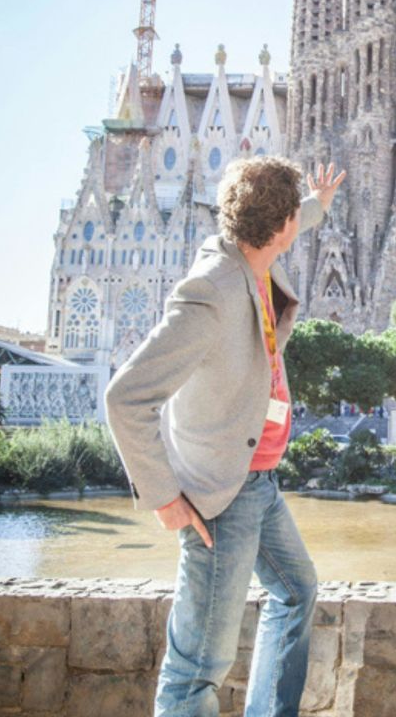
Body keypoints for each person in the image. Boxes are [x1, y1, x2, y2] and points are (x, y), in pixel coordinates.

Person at [105, 157, 345, 717]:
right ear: (278, 226)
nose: (295, 226)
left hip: (257, 479)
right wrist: (164, 495)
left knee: (294, 593)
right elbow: (125, 397)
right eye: (294, 219)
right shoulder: (211, 291)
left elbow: (287, 219)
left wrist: (319, 206)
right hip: (221, 492)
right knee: (197, 669)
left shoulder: (253, 256)